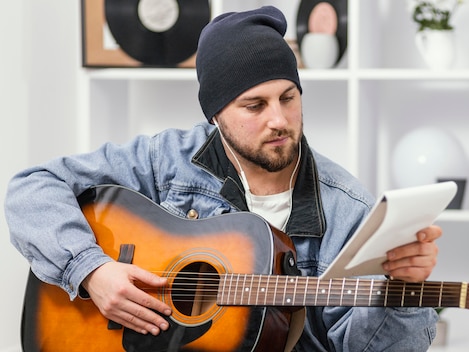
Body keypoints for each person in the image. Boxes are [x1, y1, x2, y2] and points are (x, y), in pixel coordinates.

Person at [5, 6, 442, 351]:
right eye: (255, 106)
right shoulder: (166, 159)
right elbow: (32, 187)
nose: (279, 120)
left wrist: (402, 294)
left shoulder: (350, 211)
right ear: (215, 115)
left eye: (288, 98)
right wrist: (92, 271)